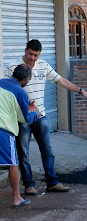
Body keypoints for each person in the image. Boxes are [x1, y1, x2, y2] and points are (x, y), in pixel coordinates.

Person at [5, 39, 87, 195]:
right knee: (23, 153)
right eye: (30, 54)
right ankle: (29, 185)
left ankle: (52, 183)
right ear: (25, 50)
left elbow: (61, 80)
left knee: (48, 151)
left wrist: (80, 90)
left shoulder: (44, 66)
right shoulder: (13, 67)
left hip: (41, 116)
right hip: (22, 118)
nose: (32, 58)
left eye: (36, 55)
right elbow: (6, 88)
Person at [0, 64, 40, 207]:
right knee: (12, 164)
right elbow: (25, 119)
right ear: (24, 79)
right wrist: (36, 113)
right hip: (4, 131)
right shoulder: (20, 92)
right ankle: (17, 198)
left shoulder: (0, 82)